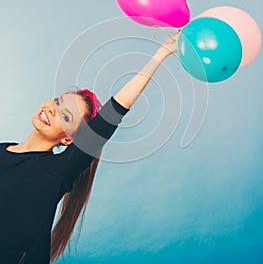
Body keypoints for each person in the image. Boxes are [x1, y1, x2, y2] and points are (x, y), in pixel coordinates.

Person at [0, 32, 179, 264]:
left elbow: (113, 113)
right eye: (57, 101)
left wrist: (161, 54)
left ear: (68, 140)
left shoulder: (57, 172)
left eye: (64, 116)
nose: (52, 110)